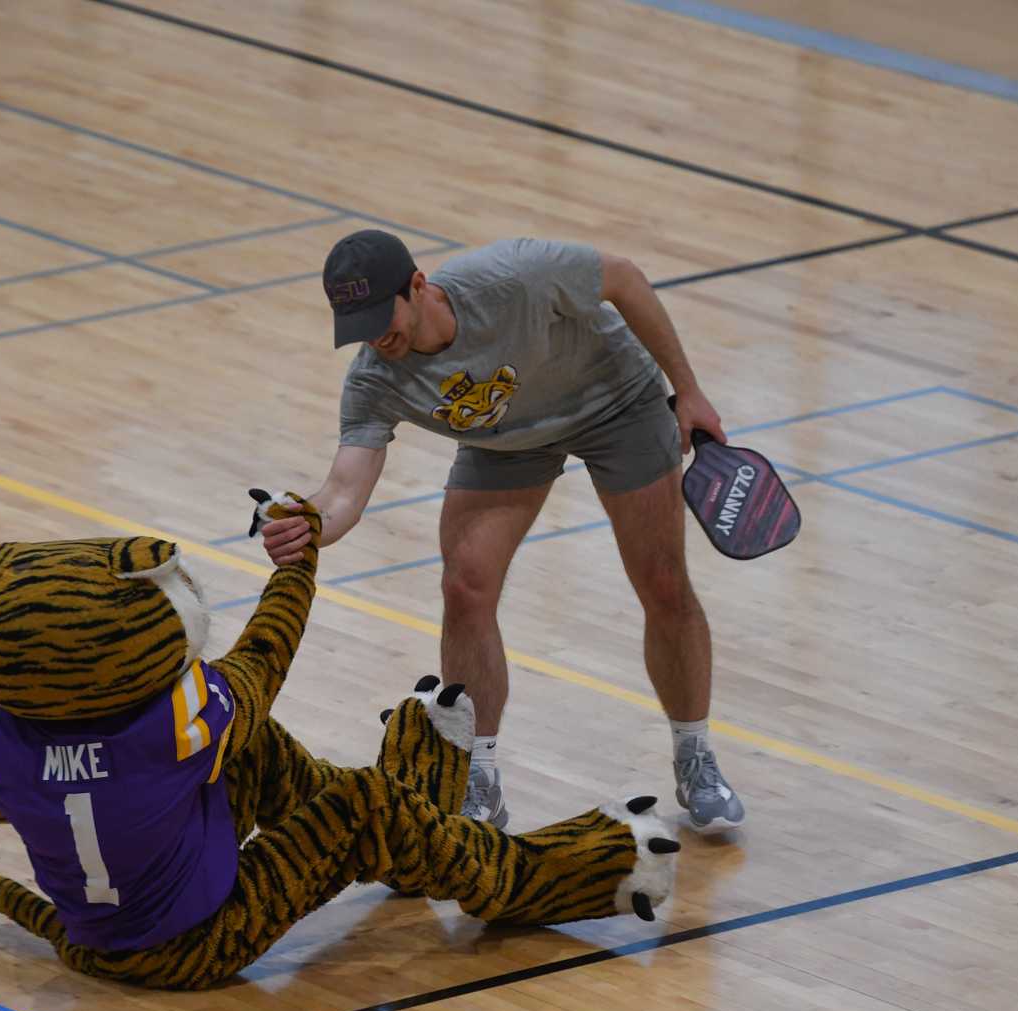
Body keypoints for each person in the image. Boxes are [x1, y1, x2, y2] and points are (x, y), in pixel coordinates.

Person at [261, 228, 744, 832]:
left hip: (618, 404)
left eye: (381, 316)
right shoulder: (374, 379)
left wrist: (691, 392)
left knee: (663, 582)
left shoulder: (512, 277)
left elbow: (622, 277)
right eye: (356, 324)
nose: (374, 336)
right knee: (466, 584)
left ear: (418, 286)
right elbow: (342, 493)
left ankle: (694, 751)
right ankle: (479, 776)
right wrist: (303, 525)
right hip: (508, 442)